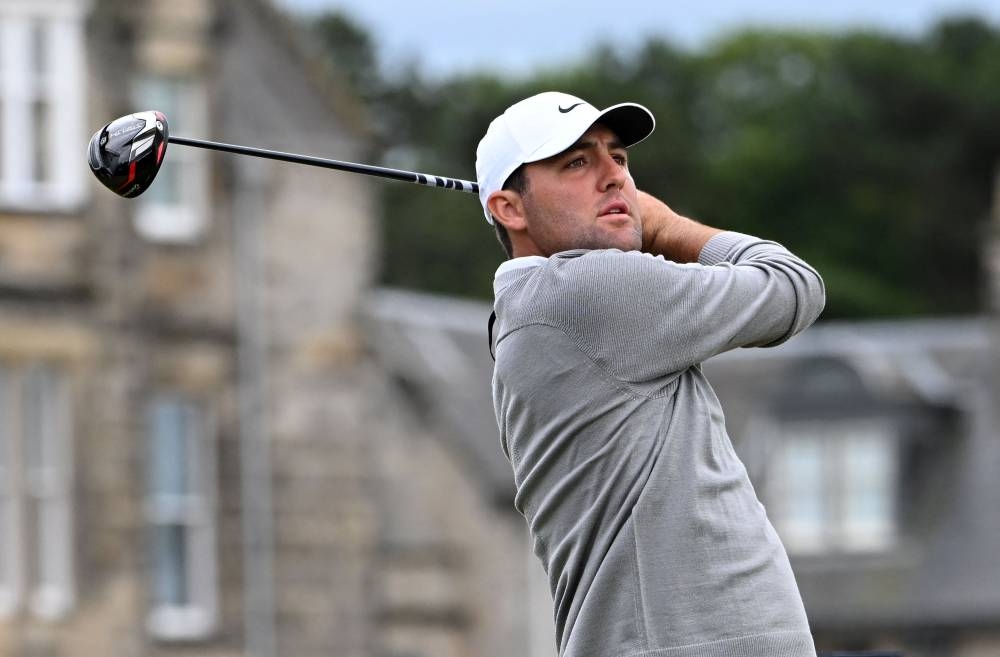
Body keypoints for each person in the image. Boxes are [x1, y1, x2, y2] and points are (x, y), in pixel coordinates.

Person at [476, 91, 825, 657]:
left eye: (618, 157)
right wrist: (668, 226)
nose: (615, 177)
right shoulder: (586, 290)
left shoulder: (531, 310)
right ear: (510, 209)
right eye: (577, 162)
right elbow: (793, 287)